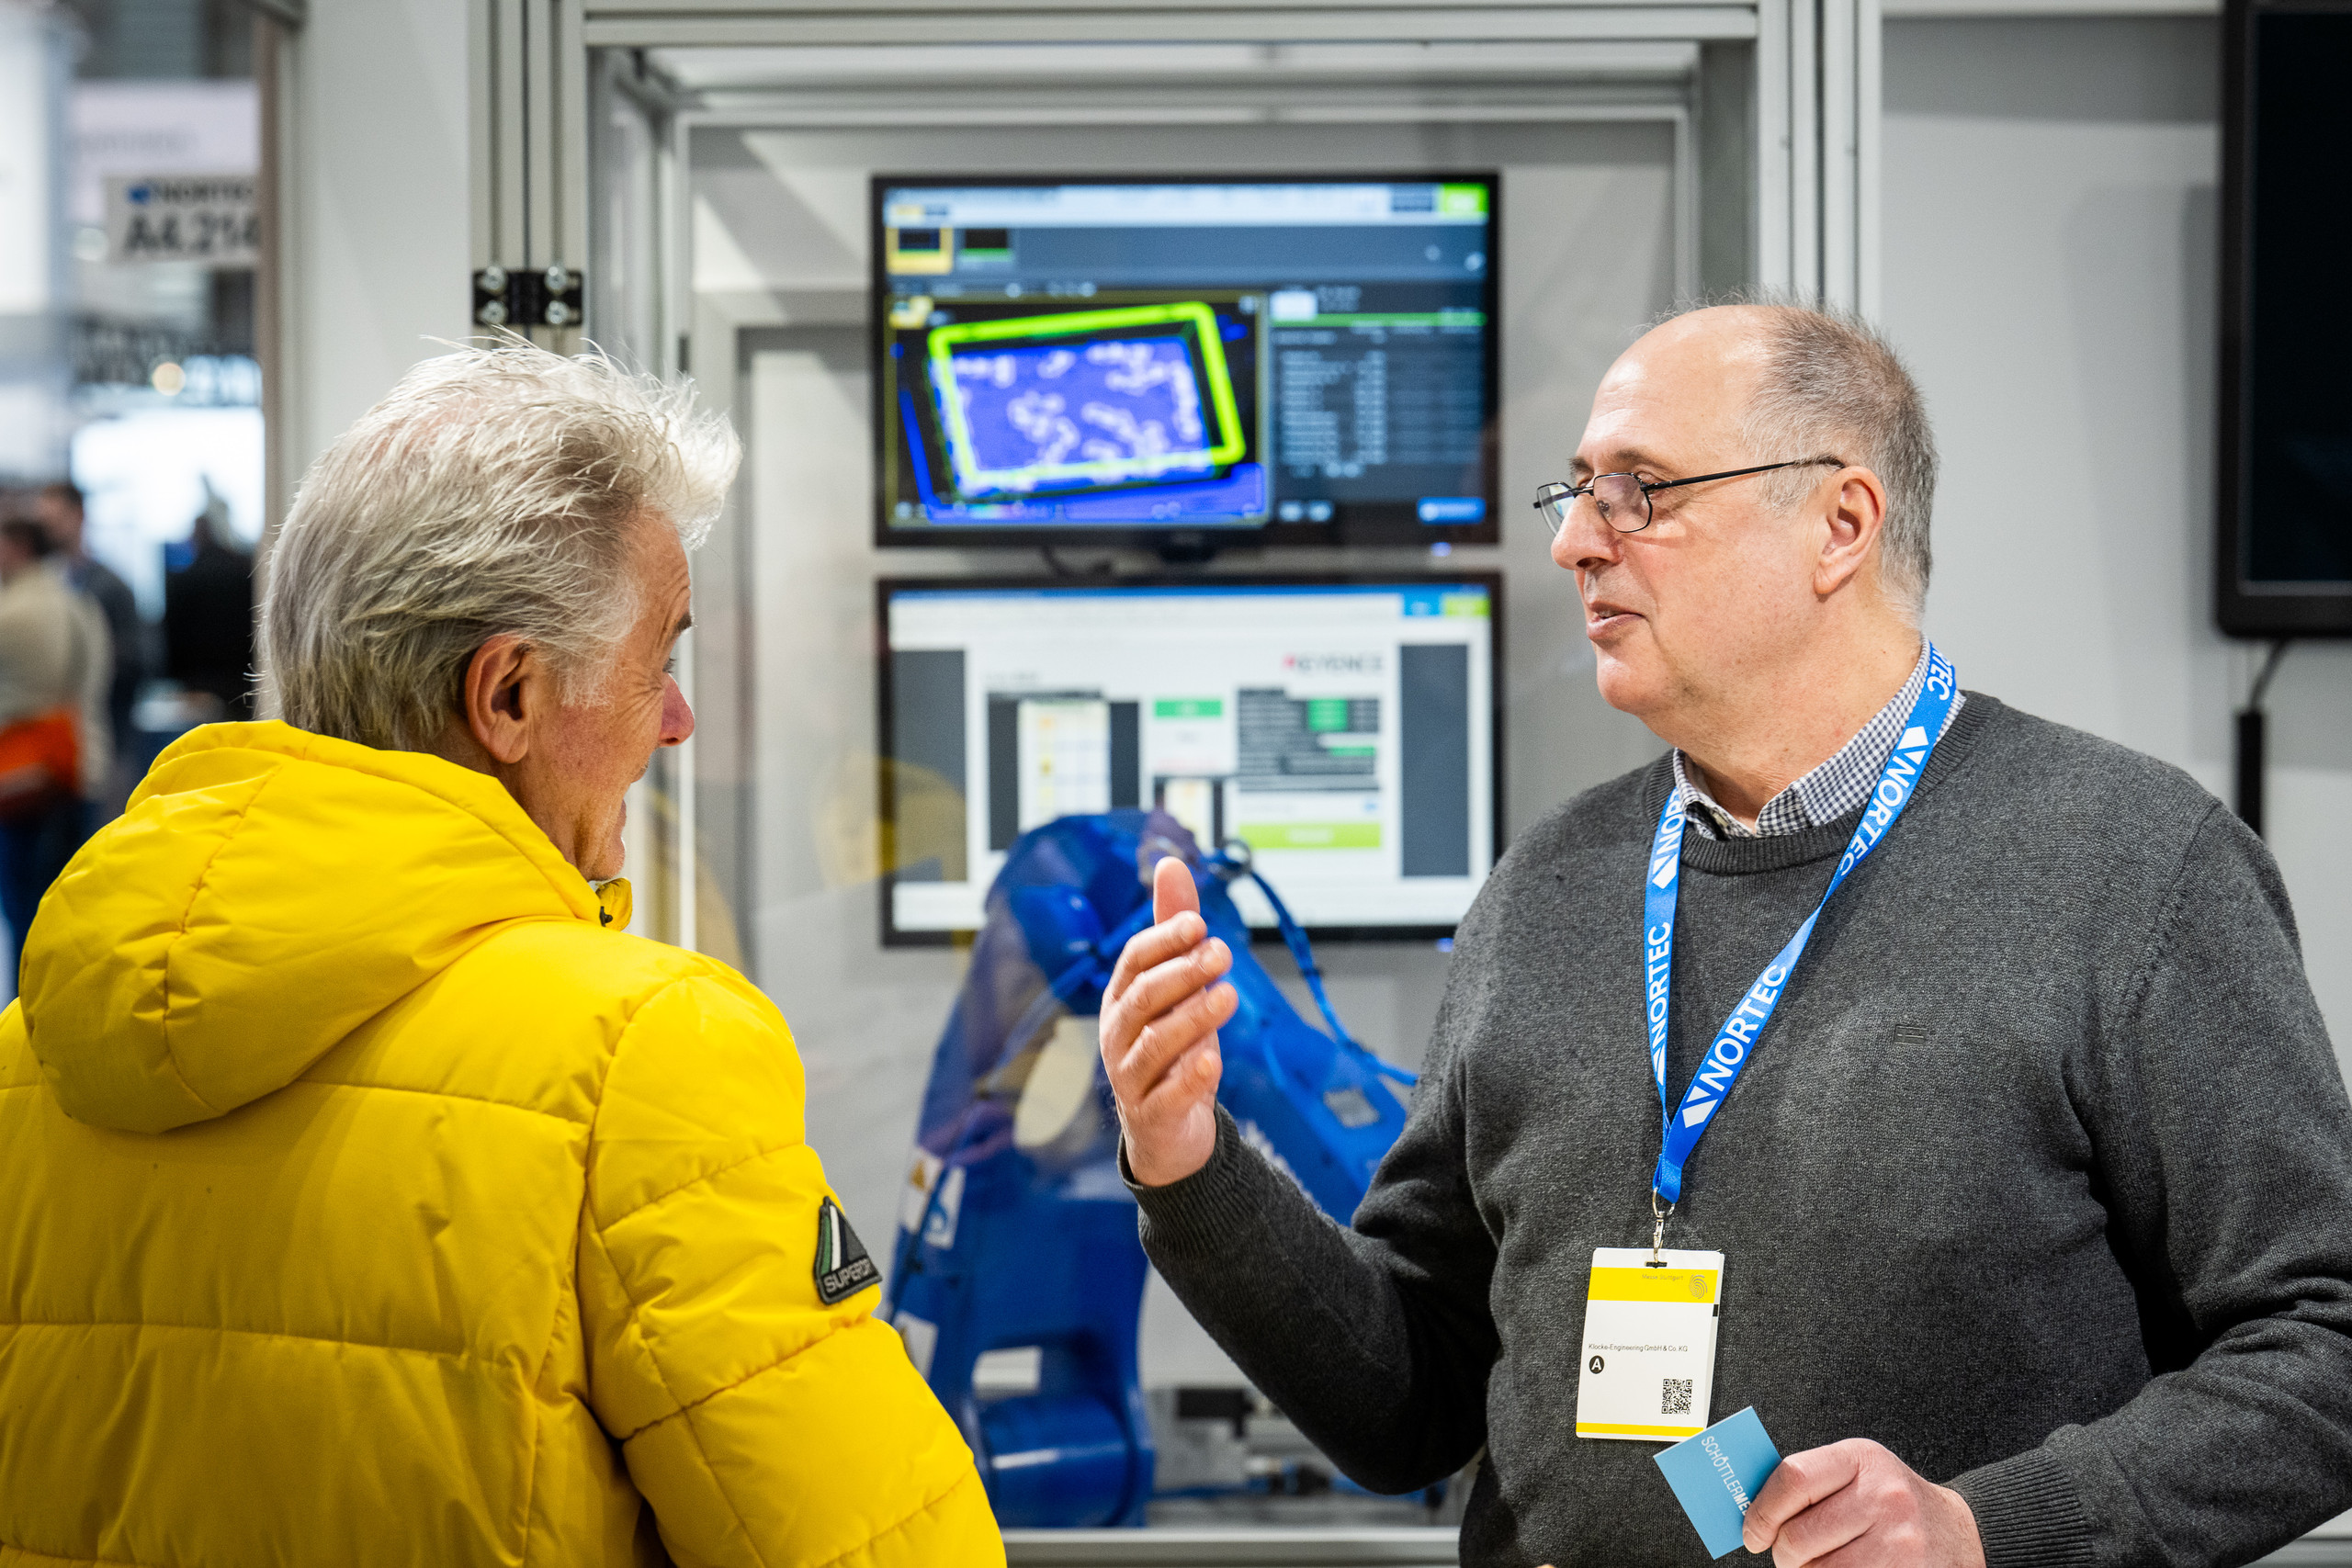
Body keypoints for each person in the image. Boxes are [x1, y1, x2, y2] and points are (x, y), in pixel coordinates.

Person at [1101, 303, 2352, 1568]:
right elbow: (1406, 1396)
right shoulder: (1548, 885)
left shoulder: (2134, 864)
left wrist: (1987, 1527)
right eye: (1577, 491)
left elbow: (2326, 1342)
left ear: (1840, 525)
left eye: (1641, 489)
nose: (1576, 543)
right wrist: (1187, 1159)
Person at [0, 343, 1002, 1566]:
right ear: (511, 695)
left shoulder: (28, 1060)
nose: (678, 716)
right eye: (662, 656)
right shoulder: (641, 1054)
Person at [0, 516, 110, 968]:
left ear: (18, 547)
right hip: (76, 766)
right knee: (62, 909)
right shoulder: (75, 601)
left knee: (25, 910)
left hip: (27, 778)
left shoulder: (16, 613)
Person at [34, 480, 142, 785]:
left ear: (79, 516)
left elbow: (137, 660)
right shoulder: (39, 588)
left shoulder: (109, 587)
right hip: (50, 748)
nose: (49, 531)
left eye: (55, 520)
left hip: (102, 739)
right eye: (43, 524)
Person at [163, 502, 255, 718]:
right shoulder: (248, 574)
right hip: (244, 686)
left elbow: (173, 642)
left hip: (197, 691)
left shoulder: (183, 580)